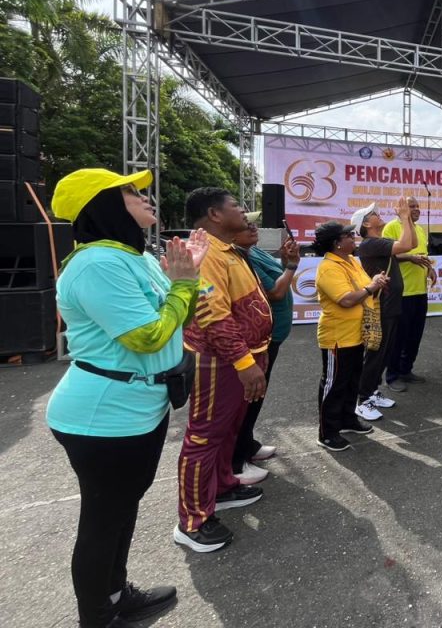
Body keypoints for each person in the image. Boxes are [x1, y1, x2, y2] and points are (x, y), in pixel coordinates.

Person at [47, 168, 204, 627]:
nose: (145, 197)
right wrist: (185, 286)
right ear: (104, 206)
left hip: (137, 408)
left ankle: (116, 594)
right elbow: (149, 335)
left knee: (121, 510)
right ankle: (97, 616)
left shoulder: (127, 256)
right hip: (104, 415)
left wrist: (189, 282)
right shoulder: (98, 263)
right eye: (132, 192)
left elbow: (174, 314)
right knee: (103, 518)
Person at [175, 188, 272, 553]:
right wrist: (245, 363)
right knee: (204, 436)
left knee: (229, 427)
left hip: (241, 357)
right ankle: (192, 520)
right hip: (221, 361)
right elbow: (212, 313)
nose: (244, 211)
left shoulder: (227, 248)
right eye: (236, 206)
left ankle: (223, 486)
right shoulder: (204, 251)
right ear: (215, 215)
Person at [230, 215, 300, 484]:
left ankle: (247, 444)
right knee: (247, 400)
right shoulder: (239, 257)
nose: (253, 227)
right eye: (246, 224)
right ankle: (236, 462)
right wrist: (291, 267)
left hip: (272, 336)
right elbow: (275, 292)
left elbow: (278, 277)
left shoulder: (253, 251)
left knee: (256, 398)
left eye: (254, 223)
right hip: (260, 340)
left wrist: (285, 261)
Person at [312, 221, 390, 452]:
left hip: (356, 334)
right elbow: (346, 299)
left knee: (352, 381)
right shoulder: (329, 267)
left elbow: (365, 288)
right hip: (338, 336)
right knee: (334, 384)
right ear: (337, 243)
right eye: (348, 235)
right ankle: (327, 433)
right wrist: (371, 287)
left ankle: (347, 420)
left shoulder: (350, 261)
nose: (353, 237)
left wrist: (376, 284)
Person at [350, 199, 416, 421]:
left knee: (385, 352)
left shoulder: (379, 241)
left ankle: (373, 391)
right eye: (373, 214)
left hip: (391, 305)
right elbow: (406, 245)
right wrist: (405, 217)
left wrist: (407, 220)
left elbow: (411, 242)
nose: (378, 214)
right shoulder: (370, 244)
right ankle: (363, 398)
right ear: (366, 225)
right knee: (376, 355)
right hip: (381, 307)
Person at [381, 197, 436, 392]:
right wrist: (410, 257)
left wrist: (430, 268)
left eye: (417, 206)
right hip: (402, 292)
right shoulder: (391, 228)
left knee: (415, 335)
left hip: (420, 290)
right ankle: (392, 375)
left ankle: (406, 370)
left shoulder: (420, 229)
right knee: (398, 337)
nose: (416, 209)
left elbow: (422, 254)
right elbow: (389, 255)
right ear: (402, 209)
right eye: (411, 206)